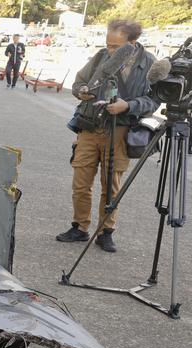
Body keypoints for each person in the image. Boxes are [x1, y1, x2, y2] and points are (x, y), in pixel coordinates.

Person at [56, 19, 157, 252]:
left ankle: (106, 231)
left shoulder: (149, 64)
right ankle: (80, 227)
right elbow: (79, 81)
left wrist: (128, 106)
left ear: (132, 43)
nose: (110, 50)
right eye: (108, 45)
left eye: (116, 46)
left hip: (120, 131)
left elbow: (154, 100)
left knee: (111, 186)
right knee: (81, 182)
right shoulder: (100, 56)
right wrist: (81, 92)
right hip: (90, 127)